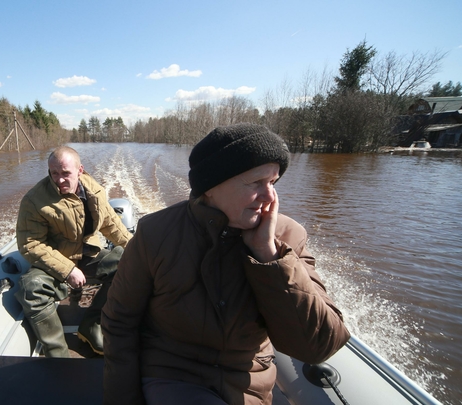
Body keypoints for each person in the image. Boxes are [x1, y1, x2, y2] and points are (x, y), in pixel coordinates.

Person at [102, 124, 351, 404]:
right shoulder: (156, 234)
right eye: (256, 183)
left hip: (250, 383)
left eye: (273, 182)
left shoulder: (288, 238)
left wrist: (268, 254)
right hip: (173, 375)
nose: (270, 197)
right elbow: (119, 320)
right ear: (211, 187)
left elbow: (318, 346)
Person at [15, 146, 133, 357]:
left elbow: (111, 224)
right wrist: (68, 269)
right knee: (30, 287)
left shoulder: (93, 190)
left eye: (66, 173)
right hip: (55, 261)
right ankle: (58, 355)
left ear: (80, 170)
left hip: (89, 255)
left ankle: (92, 325)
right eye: (54, 174)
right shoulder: (34, 201)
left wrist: (137, 249)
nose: (60, 180)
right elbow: (30, 244)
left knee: (130, 264)